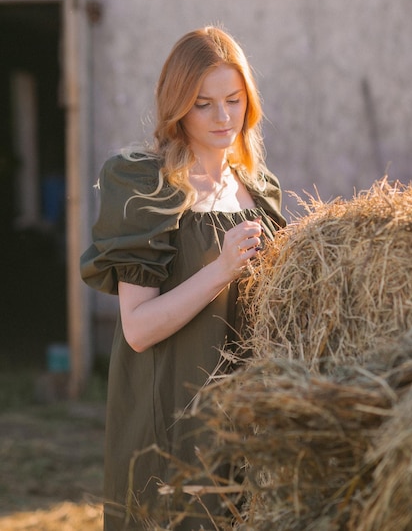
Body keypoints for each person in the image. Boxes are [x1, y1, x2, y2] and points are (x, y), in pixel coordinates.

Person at [80, 26, 286, 530]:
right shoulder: (144, 186)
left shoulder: (258, 190)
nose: (222, 117)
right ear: (176, 106)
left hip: (242, 419)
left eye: (233, 100)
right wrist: (220, 270)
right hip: (169, 417)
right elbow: (138, 328)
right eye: (202, 104)